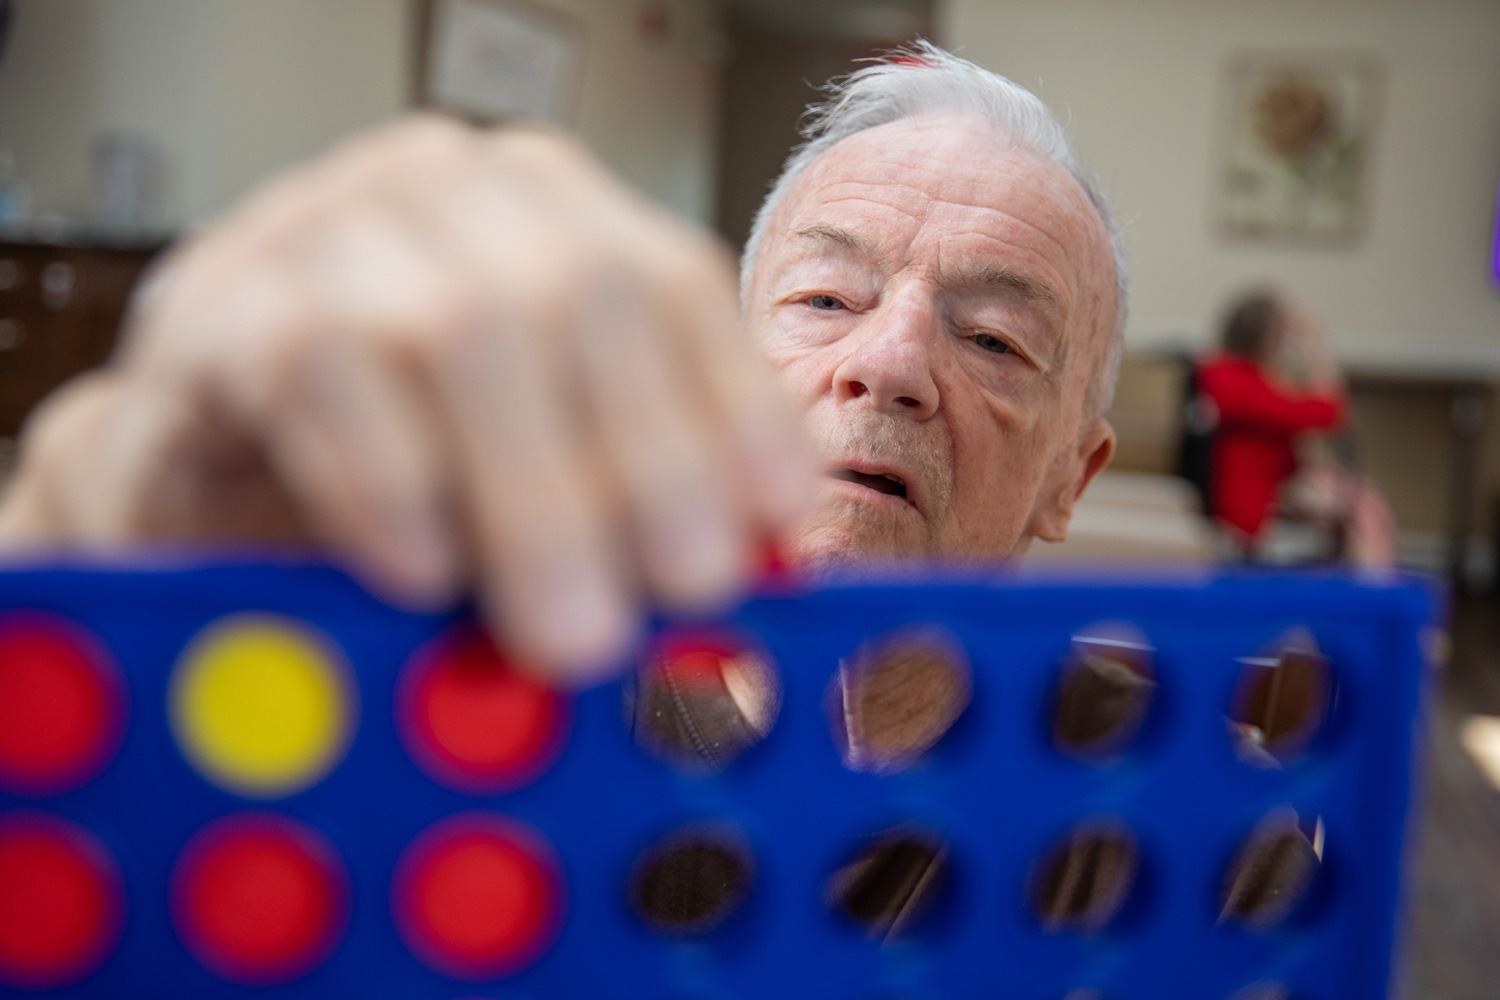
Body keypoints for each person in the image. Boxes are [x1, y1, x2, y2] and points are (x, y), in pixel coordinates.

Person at [0, 43, 1123, 683]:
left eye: (994, 341)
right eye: (824, 297)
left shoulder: (1197, 821)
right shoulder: (488, 677)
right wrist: (82, 537)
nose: (886, 365)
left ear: (1074, 477)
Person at [1197, 291, 1394, 565]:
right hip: (1247, 512)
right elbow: (1332, 412)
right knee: (1364, 511)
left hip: (1272, 492)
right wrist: (1317, 347)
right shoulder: (1235, 381)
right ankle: (1376, 596)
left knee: (1362, 502)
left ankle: (1369, 591)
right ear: (1268, 338)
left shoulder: (1230, 374)